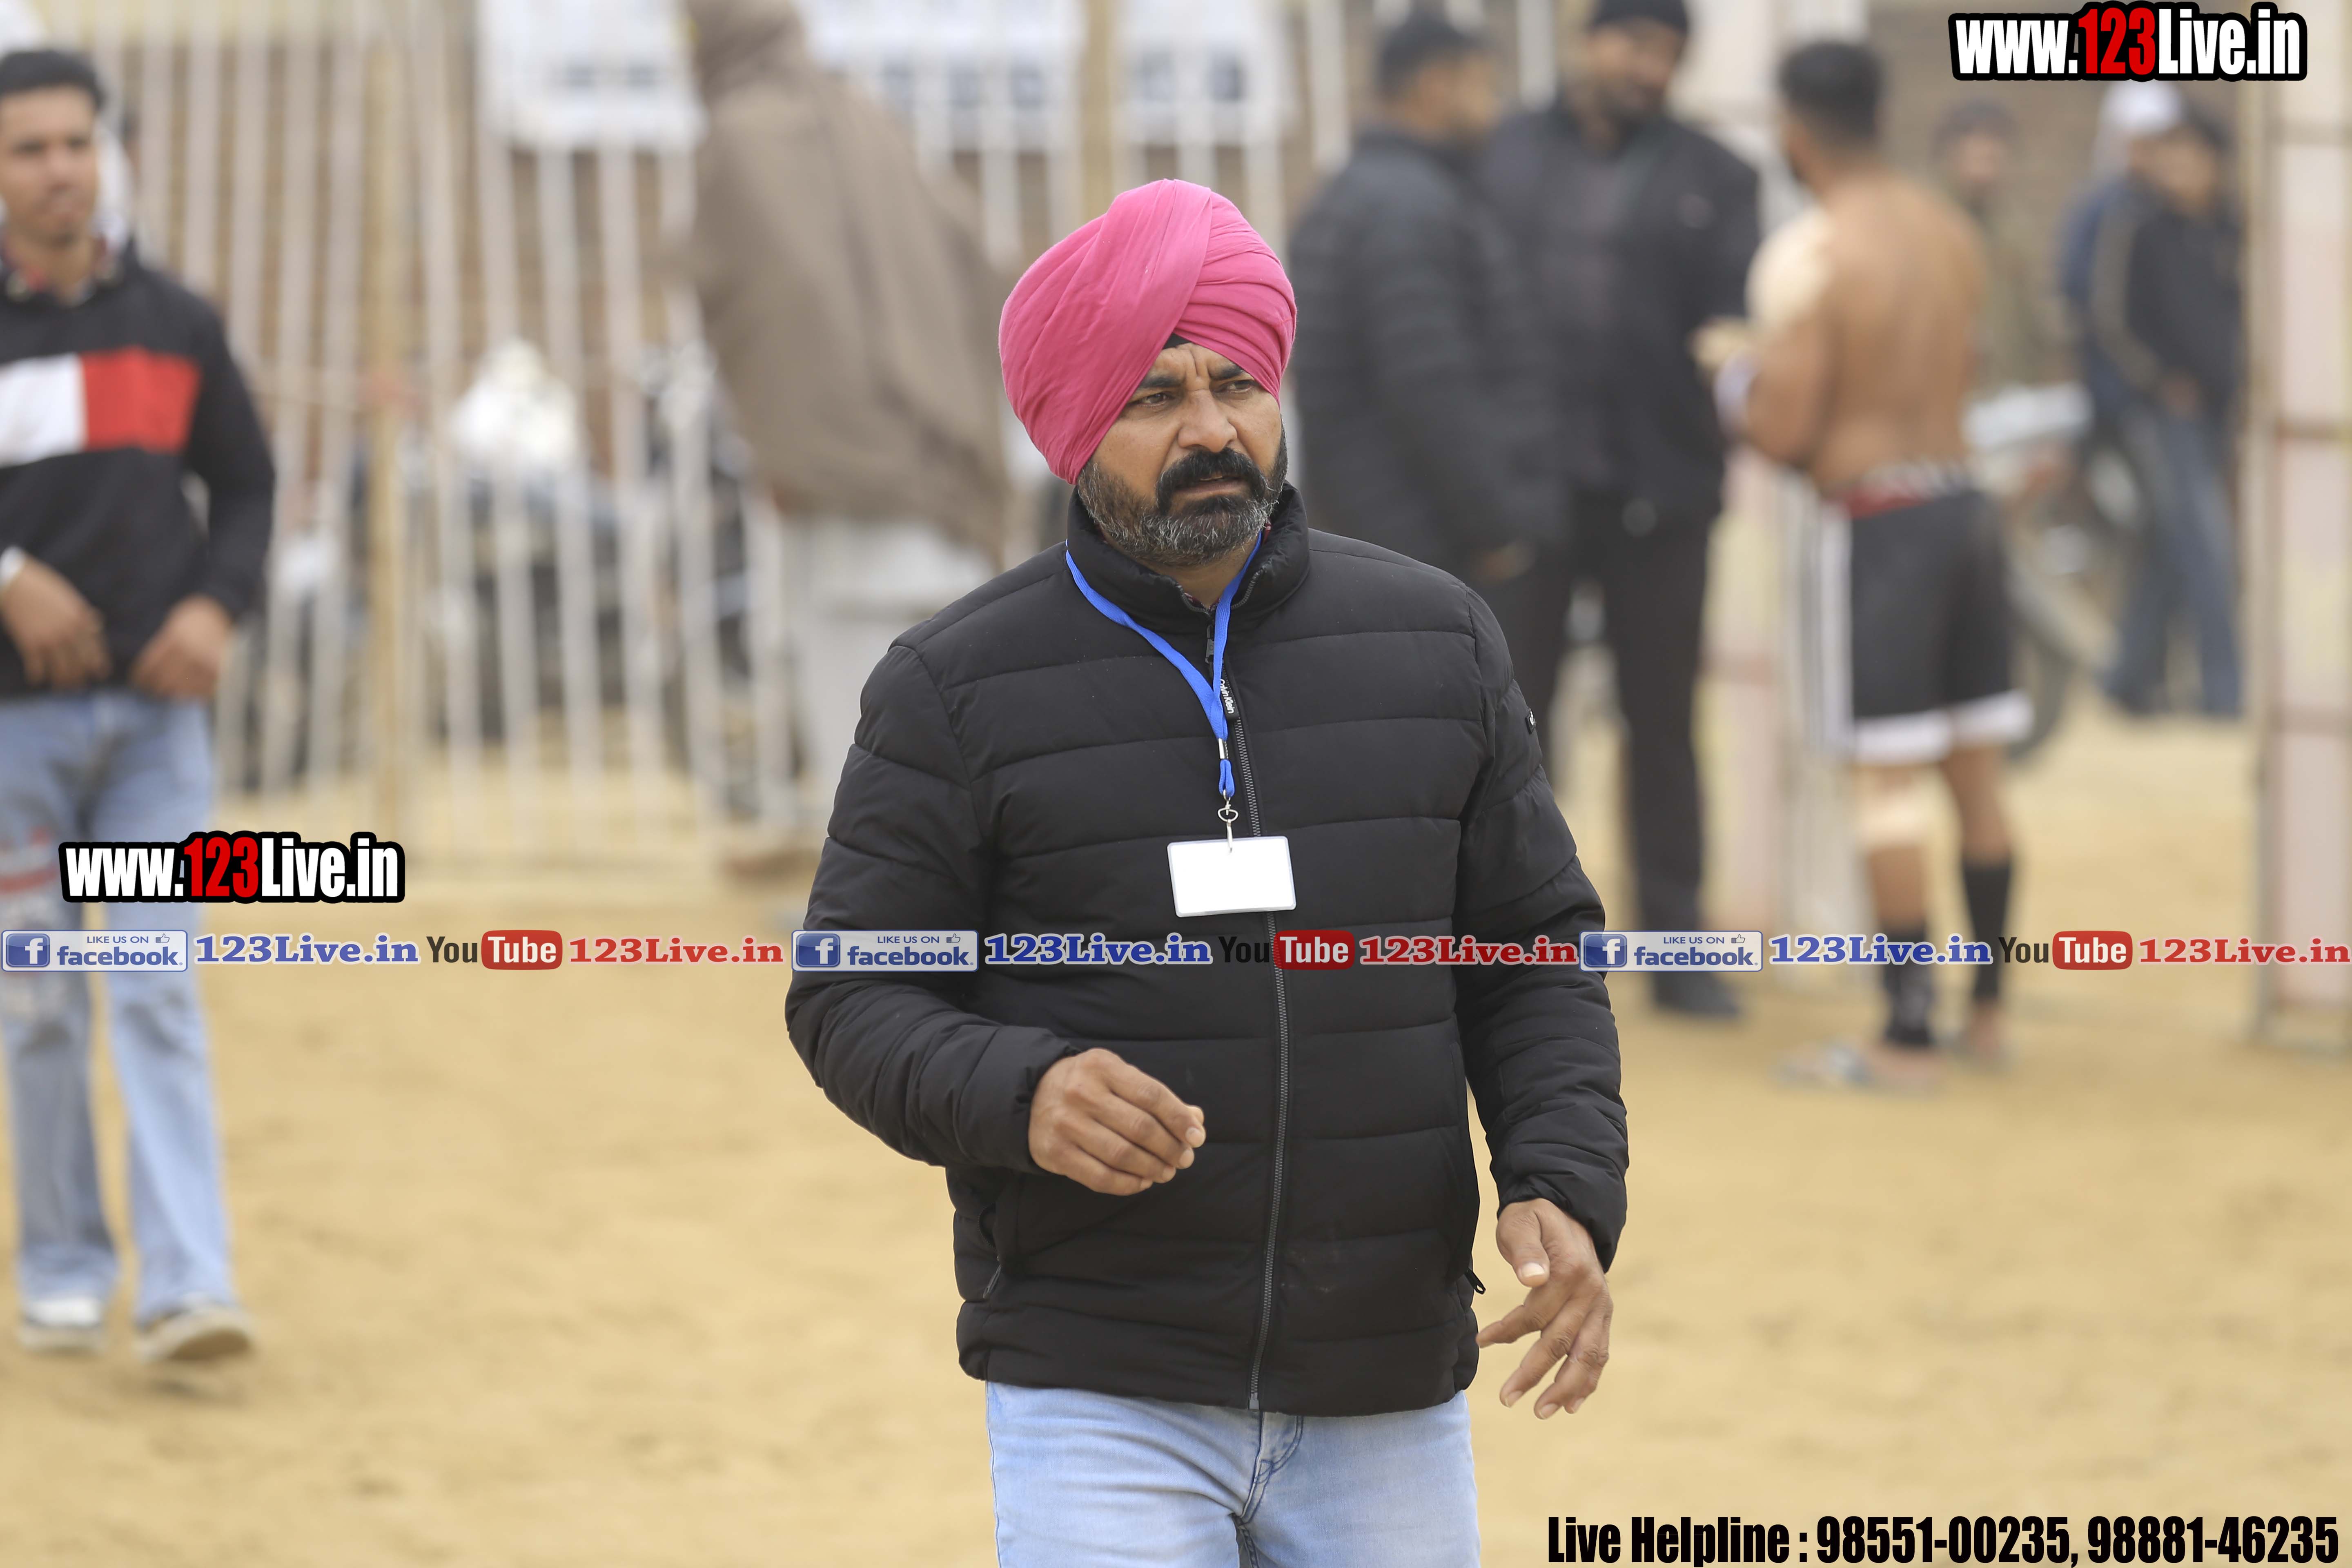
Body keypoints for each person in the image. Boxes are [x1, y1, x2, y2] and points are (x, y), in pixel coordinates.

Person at [785, 179, 1627, 1565]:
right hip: (1098, 1375)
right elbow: (852, 994)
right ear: (1076, 428)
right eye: (1155, 396)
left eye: (1238, 384)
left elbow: (1531, 949)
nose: (1213, 431)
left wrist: (1565, 1176)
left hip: (1381, 1370)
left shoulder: (1438, 644)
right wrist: (1023, 1093)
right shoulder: (953, 685)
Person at [0, 48, 271, 1361]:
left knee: (156, 984)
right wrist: (9, 578)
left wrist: (217, 606)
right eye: (28, 148)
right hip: (14, 737)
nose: (59, 168)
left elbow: (251, 484)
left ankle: (188, 1287)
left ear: (106, 152)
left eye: (76, 142)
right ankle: (62, 1265)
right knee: (40, 996)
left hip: (158, 734)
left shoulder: (177, 321)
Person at [1710, 42, 2018, 1089]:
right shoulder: (1946, 230)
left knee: (1885, 785)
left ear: (1794, 130)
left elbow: (1785, 428)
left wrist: (1732, 379)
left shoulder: (1814, 251)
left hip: (1882, 522)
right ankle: (1986, 1013)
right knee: (1974, 774)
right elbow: (1964, 367)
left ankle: (1904, 1034)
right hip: (1963, 503)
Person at [1480, 0, 1759, 1019]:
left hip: (1660, 492)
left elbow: (1736, 325)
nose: (1650, 67)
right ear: (1587, 40)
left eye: (1669, 53)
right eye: (1635, 44)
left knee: (1663, 724)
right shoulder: (1502, 156)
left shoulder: (1716, 176)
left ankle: (1679, 951)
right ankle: (1526, 950)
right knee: (1514, 729)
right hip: (1529, 494)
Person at [684, 0, 1008, 821]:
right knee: (964, 739)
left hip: (840, 484)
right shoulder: (868, 119)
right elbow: (976, 263)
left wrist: (787, 451)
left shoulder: (741, 136)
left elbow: (762, 308)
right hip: (943, 466)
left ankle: (884, 896)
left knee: (865, 746)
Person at [1287, 13, 1553, 583]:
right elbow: (1431, 388)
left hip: (1364, 527)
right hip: (1423, 541)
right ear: (1438, 85)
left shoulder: (1350, 192)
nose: (1496, 111)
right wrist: (1491, 524)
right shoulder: (1411, 208)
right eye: (1485, 87)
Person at [2082, 103, 2243, 718]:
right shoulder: (2139, 226)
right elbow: (2111, 319)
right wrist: (2158, 381)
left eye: (2190, 156)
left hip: (2219, 409)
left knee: (2172, 545)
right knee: (2204, 544)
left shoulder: (2231, 230)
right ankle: (2225, 689)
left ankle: (2126, 678)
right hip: (2162, 413)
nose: (2178, 169)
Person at [1933, 99, 2065, 394]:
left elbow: (2032, 317)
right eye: (1976, 158)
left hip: (2011, 391)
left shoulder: (2013, 229)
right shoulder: (1931, 226)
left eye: (1993, 159)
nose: (1984, 171)